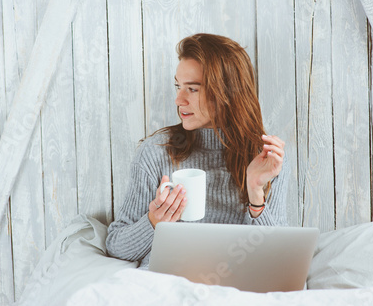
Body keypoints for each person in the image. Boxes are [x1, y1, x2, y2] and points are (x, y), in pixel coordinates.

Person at [106, 33, 290, 268]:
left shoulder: (266, 159)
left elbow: (278, 260)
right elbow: (116, 246)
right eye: (178, 86)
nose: (178, 99)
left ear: (227, 93)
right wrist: (154, 221)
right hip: (168, 285)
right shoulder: (155, 152)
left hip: (238, 287)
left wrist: (255, 192)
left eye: (192, 89)